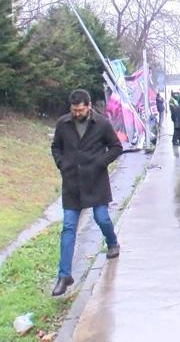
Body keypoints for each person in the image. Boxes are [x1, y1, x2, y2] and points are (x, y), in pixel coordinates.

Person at [50, 89, 123, 296]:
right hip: (72, 183)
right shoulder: (63, 124)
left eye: (80, 110)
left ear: (88, 106)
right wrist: (61, 163)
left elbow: (116, 147)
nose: (76, 114)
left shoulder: (101, 124)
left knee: (102, 218)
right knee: (68, 227)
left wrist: (101, 163)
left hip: (96, 180)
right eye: (73, 110)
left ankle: (112, 242)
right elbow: (55, 147)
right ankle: (64, 276)